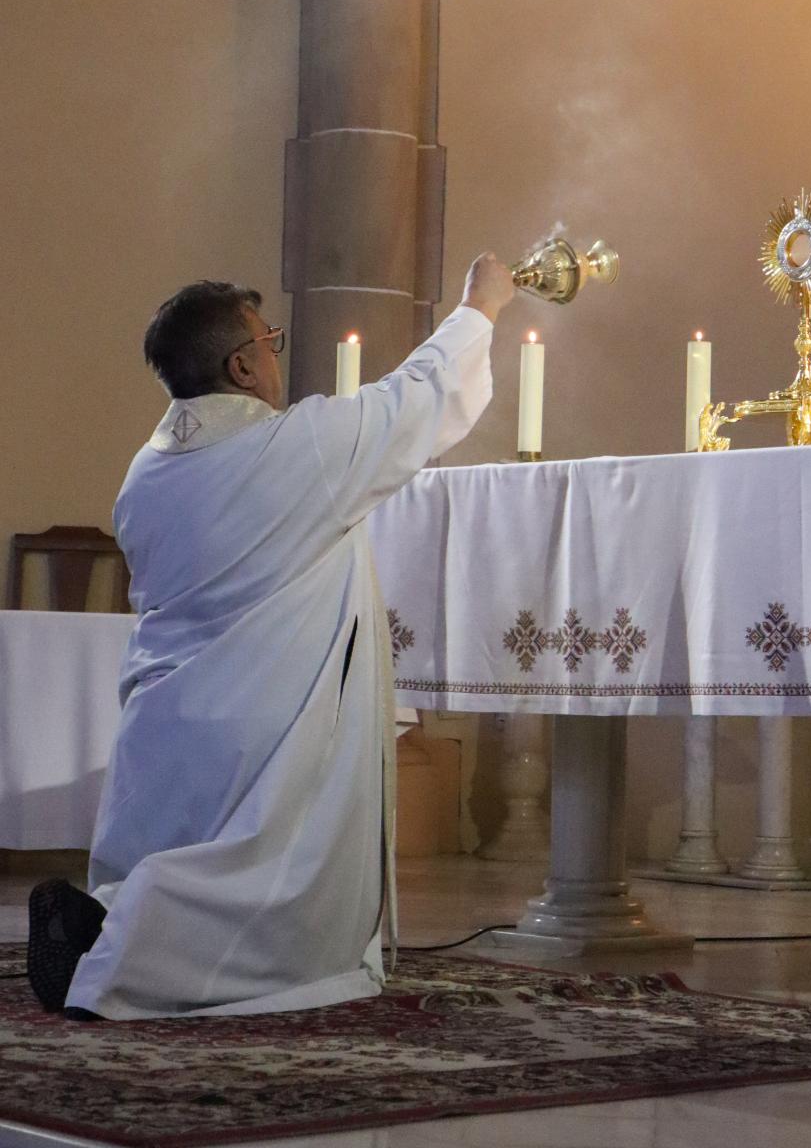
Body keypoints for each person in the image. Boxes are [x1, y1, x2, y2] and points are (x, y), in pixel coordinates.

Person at [27, 254, 515, 1020]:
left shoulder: (144, 474)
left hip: (168, 722)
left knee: (161, 852)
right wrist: (479, 310)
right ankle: (121, 963)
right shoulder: (295, 450)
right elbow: (415, 401)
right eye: (271, 342)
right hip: (268, 730)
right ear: (242, 365)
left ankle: (100, 928)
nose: (277, 357)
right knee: (254, 884)